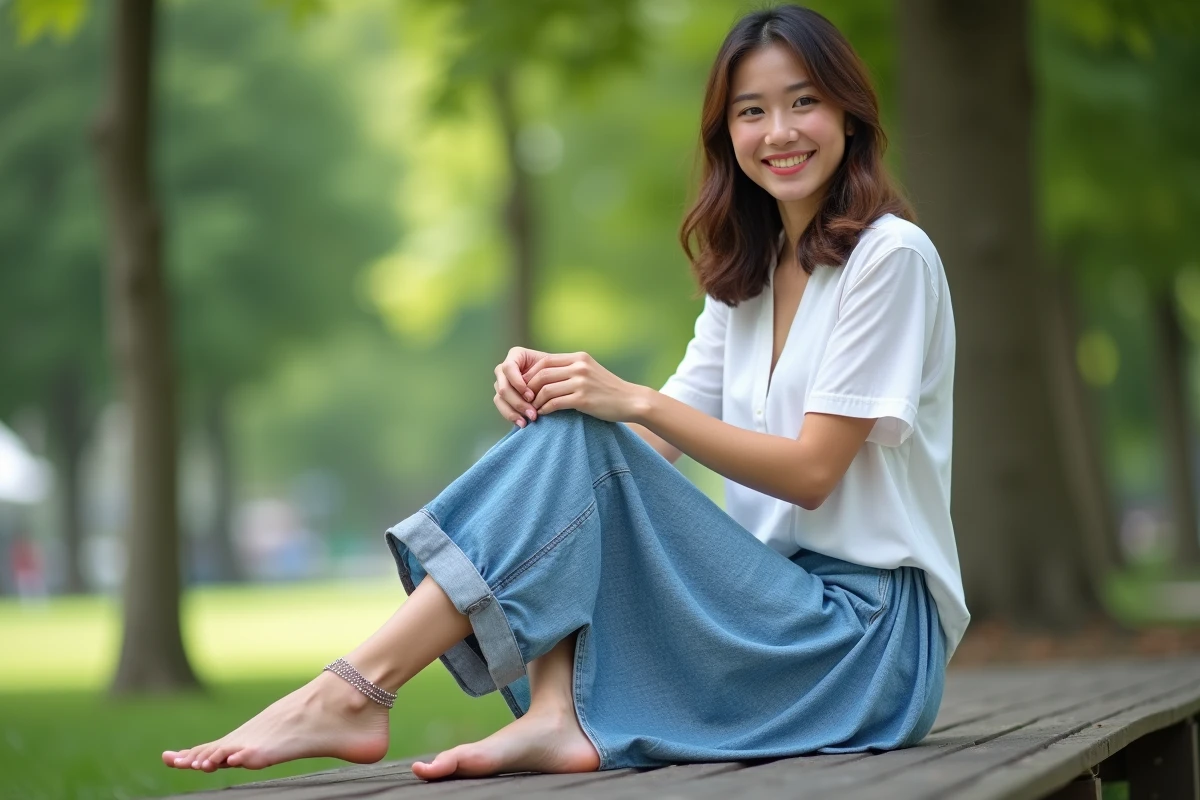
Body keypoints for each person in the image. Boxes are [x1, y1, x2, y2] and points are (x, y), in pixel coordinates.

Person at [162, 4, 968, 780]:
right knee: (573, 432)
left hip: (868, 644)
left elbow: (811, 471)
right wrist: (559, 396)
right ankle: (550, 711)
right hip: (777, 612)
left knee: (598, 424)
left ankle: (353, 689)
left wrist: (629, 400)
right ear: (727, 134)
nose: (780, 132)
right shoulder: (746, 280)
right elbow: (641, 449)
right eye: (752, 111)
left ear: (851, 116)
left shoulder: (889, 259)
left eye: (804, 103)